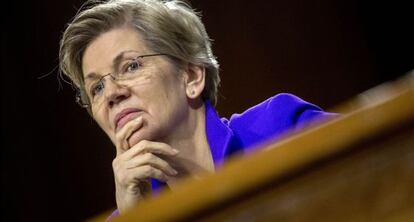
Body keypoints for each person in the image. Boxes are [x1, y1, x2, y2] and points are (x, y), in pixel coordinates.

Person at [59, 0, 337, 219]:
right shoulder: (128, 217)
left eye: (131, 66)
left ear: (191, 77)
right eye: (96, 88)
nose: (111, 94)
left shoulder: (280, 126)